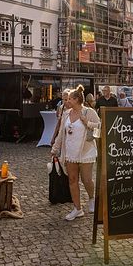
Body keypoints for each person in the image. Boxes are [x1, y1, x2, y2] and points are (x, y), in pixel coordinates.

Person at [51, 85, 100, 220]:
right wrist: (55, 148)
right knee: (72, 180)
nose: (66, 102)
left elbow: (100, 128)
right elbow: (62, 133)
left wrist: (87, 123)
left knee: (86, 179)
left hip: (86, 151)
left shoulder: (89, 112)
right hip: (70, 152)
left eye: (69, 100)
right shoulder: (66, 113)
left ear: (77, 100)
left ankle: (91, 199)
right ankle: (77, 209)